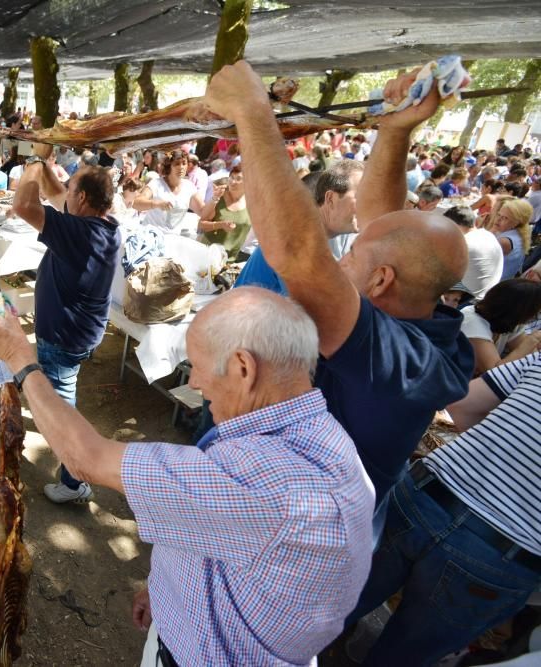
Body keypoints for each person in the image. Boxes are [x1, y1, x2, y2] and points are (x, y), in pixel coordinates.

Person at [0, 286, 375, 665]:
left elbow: (84, 458)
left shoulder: (258, 483)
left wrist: (19, 359)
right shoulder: (321, 436)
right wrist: (165, 586)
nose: (196, 384)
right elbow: (235, 549)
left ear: (243, 367)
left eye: (197, 368)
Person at [202, 61, 474, 533]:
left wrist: (253, 113)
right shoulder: (417, 314)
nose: (340, 260)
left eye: (350, 258)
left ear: (381, 281)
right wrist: (394, 132)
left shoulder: (400, 362)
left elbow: (297, 253)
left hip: (289, 538)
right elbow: (383, 225)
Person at [347, 351, 541, 666]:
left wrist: (493, 455)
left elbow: (463, 404)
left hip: (428, 492)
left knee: (325, 610)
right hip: (502, 553)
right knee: (400, 658)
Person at [10, 148, 121, 504]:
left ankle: (74, 483)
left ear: (84, 198)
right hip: (77, 334)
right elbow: (59, 195)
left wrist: (29, 163)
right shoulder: (102, 224)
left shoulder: (82, 233)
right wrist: (43, 163)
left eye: (73, 189)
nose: (64, 193)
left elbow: (24, 206)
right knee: (62, 394)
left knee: (62, 410)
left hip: (63, 337)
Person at [235, 160, 365, 295]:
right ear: (330, 199)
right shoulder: (294, 241)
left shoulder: (331, 239)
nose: (367, 203)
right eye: (360, 195)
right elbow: (317, 307)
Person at [459, 279, 541, 375]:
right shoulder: (472, 322)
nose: (535, 317)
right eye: (535, 312)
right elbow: (496, 373)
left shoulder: (509, 321)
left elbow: (530, 356)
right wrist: (532, 340)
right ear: (520, 311)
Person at [132, 150, 212, 232]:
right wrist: (157, 204)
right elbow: (136, 203)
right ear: (169, 166)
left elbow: (203, 212)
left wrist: (215, 199)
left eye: (184, 163)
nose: (181, 167)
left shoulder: (189, 187)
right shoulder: (156, 184)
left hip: (173, 239)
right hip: (151, 235)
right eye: (177, 164)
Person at [441, 205, 503, 301]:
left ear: (453, 225)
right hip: (486, 296)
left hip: (467, 301)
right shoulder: (487, 235)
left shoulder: (464, 243)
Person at [196, 166, 251, 260]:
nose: (233, 182)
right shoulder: (219, 196)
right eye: (232, 177)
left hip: (232, 259)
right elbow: (201, 224)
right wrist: (220, 225)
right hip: (207, 256)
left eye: (238, 179)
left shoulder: (252, 202)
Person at [492, 198, 531, 279]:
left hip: (493, 284)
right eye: (499, 215)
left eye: (505, 218)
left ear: (516, 223)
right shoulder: (519, 232)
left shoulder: (504, 241)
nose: (498, 219)